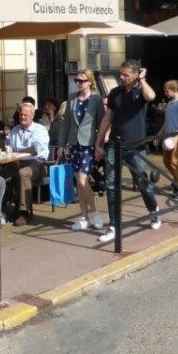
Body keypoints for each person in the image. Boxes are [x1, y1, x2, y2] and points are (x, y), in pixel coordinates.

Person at [94, 60, 160, 242]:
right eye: (120, 74)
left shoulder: (140, 92)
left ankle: (153, 210)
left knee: (141, 181)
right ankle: (114, 225)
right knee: (110, 184)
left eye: (125, 75)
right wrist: (98, 143)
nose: (121, 77)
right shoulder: (115, 93)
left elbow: (151, 96)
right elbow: (107, 118)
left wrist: (143, 80)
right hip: (115, 144)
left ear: (136, 74)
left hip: (136, 145)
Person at [57, 69, 104, 232]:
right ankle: (84, 217)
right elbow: (66, 124)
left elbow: (101, 124)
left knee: (83, 180)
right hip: (74, 143)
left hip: (89, 144)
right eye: (76, 80)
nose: (78, 83)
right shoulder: (72, 98)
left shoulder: (97, 99)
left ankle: (95, 213)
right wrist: (61, 145)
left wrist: (100, 145)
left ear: (90, 82)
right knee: (78, 181)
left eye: (81, 80)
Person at [6, 102, 50, 226]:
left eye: (25, 115)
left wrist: (17, 154)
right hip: (16, 162)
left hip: (37, 164)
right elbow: (8, 147)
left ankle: (24, 211)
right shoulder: (14, 130)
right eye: (21, 115)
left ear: (32, 116)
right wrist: (11, 156)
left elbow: (35, 149)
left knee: (23, 173)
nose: (22, 117)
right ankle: (3, 208)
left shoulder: (39, 130)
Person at [157, 80, 178, 201]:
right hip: (167, 136)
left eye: (167, 91)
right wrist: (160, 133)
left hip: (176, 137)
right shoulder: (170, 103)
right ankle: (177, 179)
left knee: (174, 162)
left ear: (174, 90)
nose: (165, 93)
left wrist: (176, 137)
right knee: (166, 162)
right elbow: (166, 120)